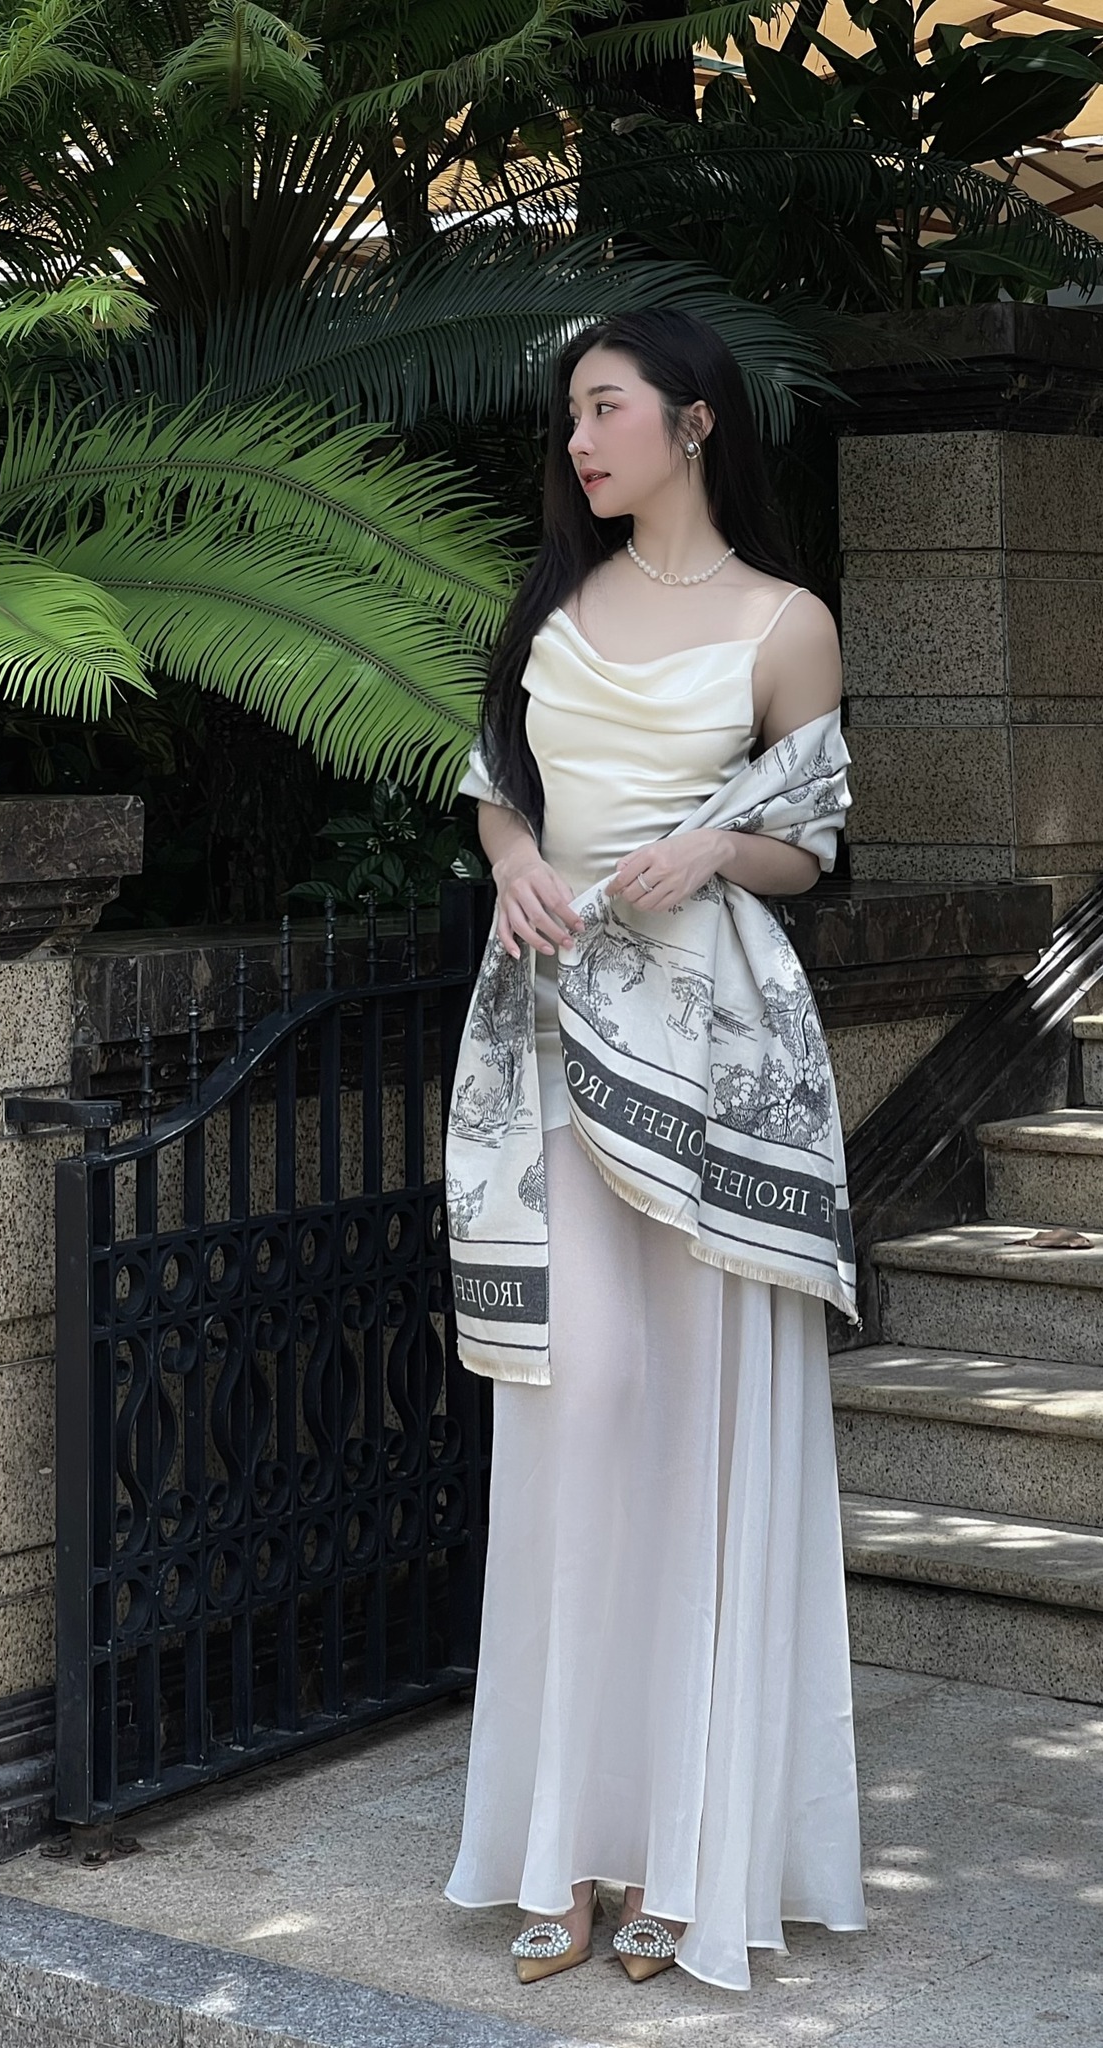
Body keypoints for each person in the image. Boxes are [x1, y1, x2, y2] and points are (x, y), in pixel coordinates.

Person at [442, 309, 867, 1992]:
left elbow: (809, 845)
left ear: (693, 422)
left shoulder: (786, 621)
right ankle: (565, 1844)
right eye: (571, 414)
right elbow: (497, 779)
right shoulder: (552, 603)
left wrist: (714, 853)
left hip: (711, 1057)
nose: (578, 439)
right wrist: (511, 860)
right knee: (581, 1410)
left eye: (604, 408)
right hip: (551, 1030)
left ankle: (689, 1862)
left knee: (700, 1433)